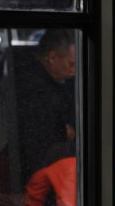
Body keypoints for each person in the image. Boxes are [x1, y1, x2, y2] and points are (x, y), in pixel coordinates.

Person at [7, 29, 76, 191]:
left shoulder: (51, 82)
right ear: (52, 57)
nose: (74, 71)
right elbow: (44, 143)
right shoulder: (37, 92)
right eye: (70, 64)